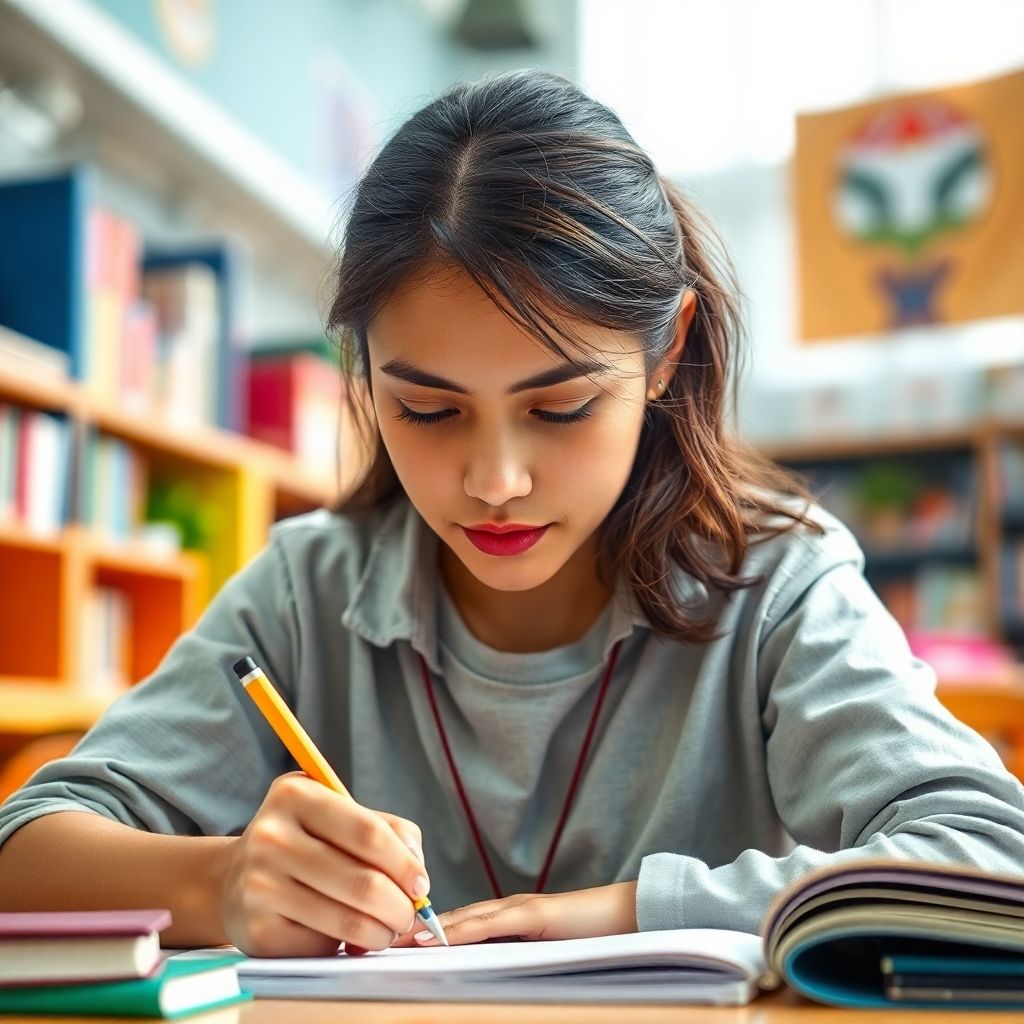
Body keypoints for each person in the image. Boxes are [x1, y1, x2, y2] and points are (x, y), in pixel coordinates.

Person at [1, 69, 1023, 959]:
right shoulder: (310, 592)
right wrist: (221, 883)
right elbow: (26, 849)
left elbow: (990, 858)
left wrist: (634, 910)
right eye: (427, 408)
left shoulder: (774, 586)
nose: (494, 479)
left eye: (560, 406)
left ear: (666, 352)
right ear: (361, 370)